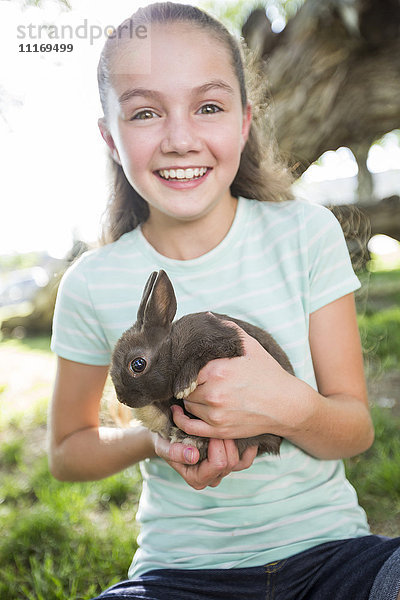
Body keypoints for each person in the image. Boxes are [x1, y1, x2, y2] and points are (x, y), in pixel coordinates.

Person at [48, 3, 400, 599]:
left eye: (208, 107)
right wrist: (156, 441)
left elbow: (355, 428)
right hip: (178, 574)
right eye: (145, 113)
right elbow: (65, 451)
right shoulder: (90, 283)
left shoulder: (305, 233)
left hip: (331, 556)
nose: (180, 138)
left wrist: (289, 407)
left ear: (243, 122)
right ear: (110, 136)